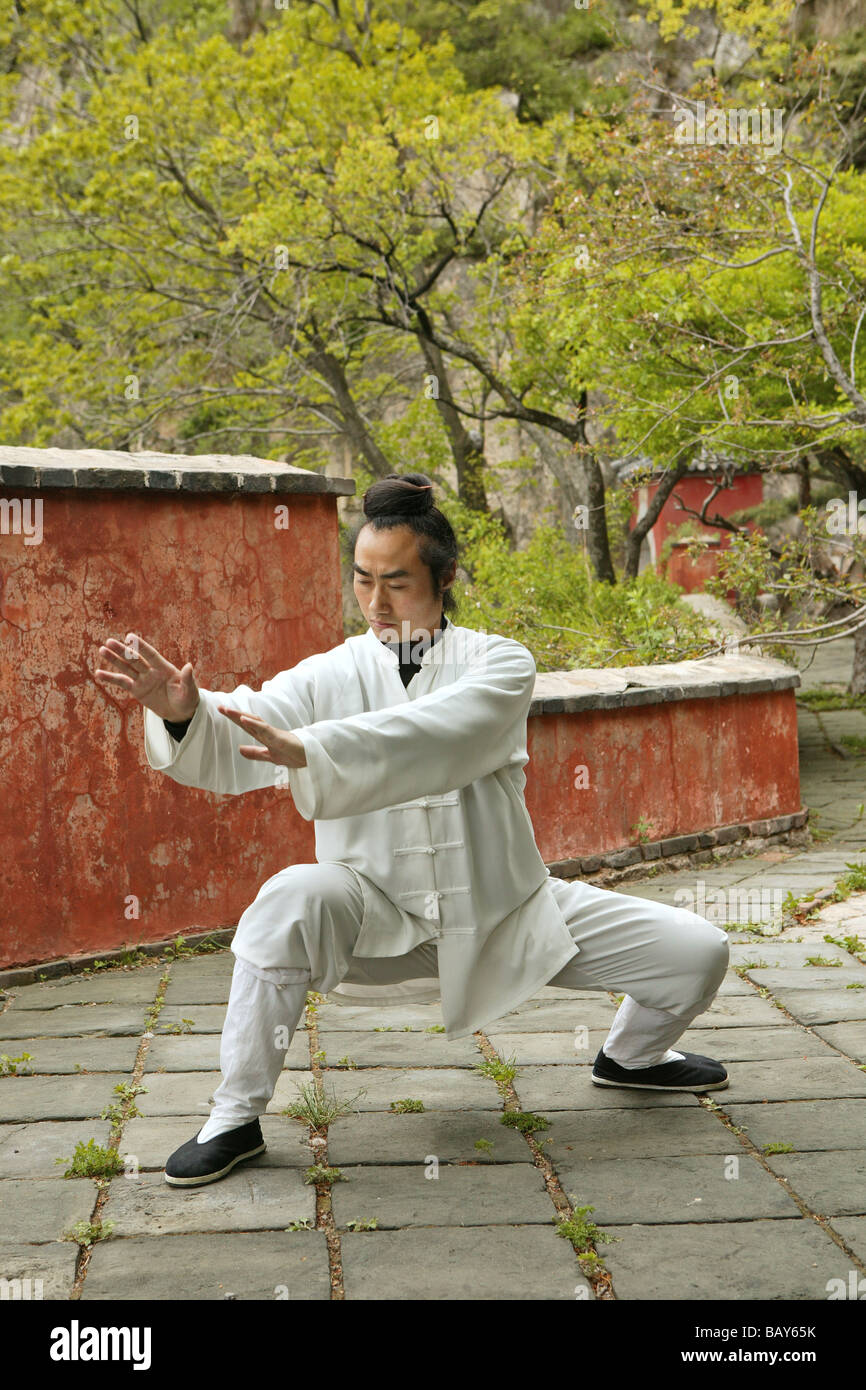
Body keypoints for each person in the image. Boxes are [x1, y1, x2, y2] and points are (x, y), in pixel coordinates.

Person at [94, 472, 730, 1189]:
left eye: (395, 582)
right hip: (372, 911)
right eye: (362, 580)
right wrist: (182, 712)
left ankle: (631, 1059)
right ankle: (233, 1117)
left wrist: (315, 750)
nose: (374, 602)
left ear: (445, 575)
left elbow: (438, 736)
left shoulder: (499, 663)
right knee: (287, 898)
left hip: (506, 908)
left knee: (700, 952)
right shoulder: (333, 671)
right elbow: (250, 724)